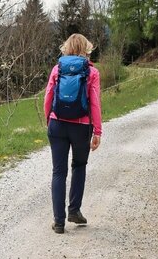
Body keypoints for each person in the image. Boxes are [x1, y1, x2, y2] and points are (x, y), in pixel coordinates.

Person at [44, 33, 102, 234]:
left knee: (58, 172)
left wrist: (48, 119)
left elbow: (49, 96)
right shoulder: (92, 72)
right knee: (79, 165)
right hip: (81, 127)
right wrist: (97, 131)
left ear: (66, 48)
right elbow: (94, 103)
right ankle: (74, 210)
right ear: (87, 49)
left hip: (57, 123)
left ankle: (59, 222)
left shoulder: (57, 68)